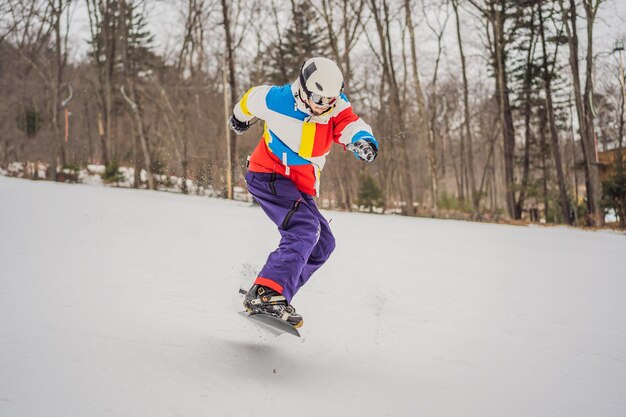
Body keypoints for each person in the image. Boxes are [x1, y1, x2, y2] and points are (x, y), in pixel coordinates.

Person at [229, 57, 379, 328]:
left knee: (324, 243)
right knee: (305, 229)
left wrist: (362, 140)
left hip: (299, 186)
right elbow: (250, 99)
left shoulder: (335, 109)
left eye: (330, 100)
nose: (323, 106)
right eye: (318, 99)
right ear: (305, 89)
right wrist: (239, 119)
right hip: (269, 175)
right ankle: (266, 293)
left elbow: (351, 125)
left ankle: (276, 294)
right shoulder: (277, 99)